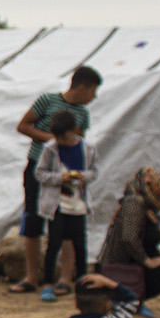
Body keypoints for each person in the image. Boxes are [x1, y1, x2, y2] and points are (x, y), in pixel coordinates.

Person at [12, 66, 102, 295]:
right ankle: (32, 277)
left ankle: (64, 278)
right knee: (33, 219)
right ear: (82, 87)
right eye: (93, 91)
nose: (94, 97)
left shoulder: (82, 114)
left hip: (67, 176)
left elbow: (79, 143)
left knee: (68, 224)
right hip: (39, 168)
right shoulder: (47, 100)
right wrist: (53, 139)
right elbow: (23, 126)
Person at [97, 166, 160, 301]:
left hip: (136, 262)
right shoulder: (134, 203)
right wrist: (148, 261)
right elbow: (128, 237)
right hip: (125, 266)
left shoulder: (147, 209)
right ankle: (133, 297)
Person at [32, 110, 96, 302]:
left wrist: (82, 176)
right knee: (54, 243)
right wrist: (61, 178)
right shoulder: (50, 149)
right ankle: (48, 284)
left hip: (78, 203)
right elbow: (40, 174)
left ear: (74, 131)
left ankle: (83, 282)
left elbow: (94, 171)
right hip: (57, 205)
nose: (61, 140)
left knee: (79, 243)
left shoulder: (87, 149)